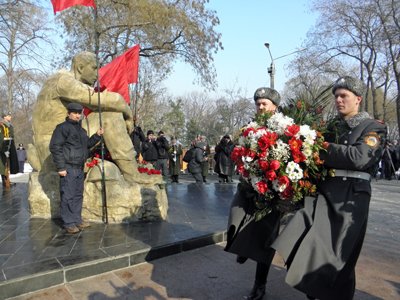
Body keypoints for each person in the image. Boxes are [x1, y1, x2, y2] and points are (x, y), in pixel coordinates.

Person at [272, 76, 387, 300]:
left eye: (344, 95)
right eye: (336, 96)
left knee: (340, 259)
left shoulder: (373, 127)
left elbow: (360, 157)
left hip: (350, 199)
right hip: (323, 195)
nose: (339, 100)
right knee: (305, 243)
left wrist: (320, 147)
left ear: (358, 99)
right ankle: (313, 292)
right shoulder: (331, 127)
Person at [31, 51, 138, 183]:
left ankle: (129, 171)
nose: (97, 74)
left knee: (106, 113)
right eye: (94, 68)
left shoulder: (61, 81)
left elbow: (94, 105)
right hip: (56, 151)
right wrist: (128, 113)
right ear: (80, 68)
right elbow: (103, 100)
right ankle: (133, 175)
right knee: (110, 117)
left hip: (62, 143)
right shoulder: (63, 81)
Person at [224, 87, 282, 300]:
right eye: (258, 103)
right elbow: (236, 152)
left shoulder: (285, 128)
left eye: (264, 103)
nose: (260, 106)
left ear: (274, 106)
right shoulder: (248, 127)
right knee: (235, 214)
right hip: (248, 188)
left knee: (264, 241)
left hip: (272, 193)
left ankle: (259, 286)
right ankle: (241, 246)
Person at [49, 103, 104, 234]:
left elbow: (87, 145)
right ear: (68, 113)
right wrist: (61, 167)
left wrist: (97, 135)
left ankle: (76, 219)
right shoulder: (62, 128)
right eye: (75, 113)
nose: (78, 115)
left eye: (79, 113)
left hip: (79, 168)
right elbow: (55, 147)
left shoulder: (82, 130)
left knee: (78, 195)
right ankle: (68, 222)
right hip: (68, 167)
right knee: (67, 195)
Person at [0, 111, 18, 188]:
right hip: (3, 147)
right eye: (9, 116)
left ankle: (7, 180)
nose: (10, 117)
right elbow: (1, 138)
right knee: (3, 164)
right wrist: (4, 149)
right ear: (4, 117)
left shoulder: (9, 125)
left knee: (7, 164)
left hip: (8, 146)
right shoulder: (1, 125)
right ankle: (5, 181)